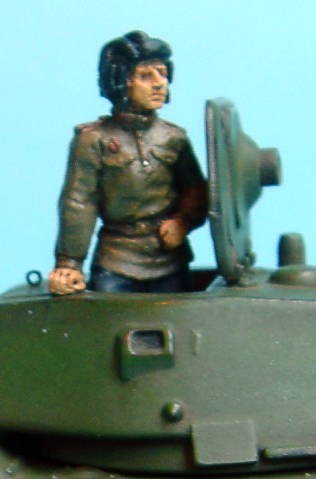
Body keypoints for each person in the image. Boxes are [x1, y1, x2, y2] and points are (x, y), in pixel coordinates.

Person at [48, 31, 207, 295]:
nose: (159, 84)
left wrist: (183, 221)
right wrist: (69, 264)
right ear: (122, 82)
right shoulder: (93, 141)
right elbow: (79, 202)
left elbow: (196, 191)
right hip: (116, 261)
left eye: (162, 74)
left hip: (170, 259)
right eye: (146, 76)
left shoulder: (174, 138)